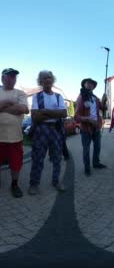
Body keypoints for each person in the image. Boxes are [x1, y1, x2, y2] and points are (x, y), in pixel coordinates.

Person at [29, 70, 68, 195]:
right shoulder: (36, 96)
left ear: (52, 80)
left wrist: (44, 111)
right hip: (41, 129)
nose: (47, 80)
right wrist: (54, 113)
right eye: (44, 78)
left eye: (49, 78)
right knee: (38, 158)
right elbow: (35, 117)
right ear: (40, 81)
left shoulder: (58, 96)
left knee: (57, 158)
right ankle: (34, 184)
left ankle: (56, 181)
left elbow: (64, 113)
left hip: (56, 129)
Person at [0, 68, 29, 198]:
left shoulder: (20, 93)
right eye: (9, 76)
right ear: (2, 78)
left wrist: (2, 107)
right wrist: (9, 102)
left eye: (14, 77)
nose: (12, 79)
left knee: (16, 163)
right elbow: (17, 109)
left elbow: (23, 109)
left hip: (15, 137)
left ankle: (14, 184)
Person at [74, 78, 108, 177]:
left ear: (93, 86)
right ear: (84, 85)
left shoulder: (95, 98)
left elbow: (104, 108)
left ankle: (96, 163)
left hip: (96, 128)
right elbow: (76, 117)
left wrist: (104, 100)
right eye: (87, 83)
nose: (90, 85)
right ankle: (87, 168)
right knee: (86, 150)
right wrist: (88, 119)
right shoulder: (81, 97)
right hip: (86, 129)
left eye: (92, 84)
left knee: (97, 147)